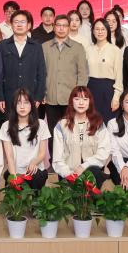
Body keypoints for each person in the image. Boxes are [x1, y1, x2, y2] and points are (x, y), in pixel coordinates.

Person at [43, 14, 89, 153]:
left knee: (71, 131)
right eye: (58, 25)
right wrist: (42, 92)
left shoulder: (78, 47)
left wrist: (79, 96)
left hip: (71, 98)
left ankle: (71, 159)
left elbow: (82, 73)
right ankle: (54, 160)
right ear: (54, 27)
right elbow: (40, 72)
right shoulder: (45, 47)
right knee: (53, 132)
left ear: (69, 28)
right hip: (51, 97)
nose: (61, 28)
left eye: (65, 26)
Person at [51, 86, 110, 188]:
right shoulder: (61, 125)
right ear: (71, 101)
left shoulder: (98, 123)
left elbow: (103, 152)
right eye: (77, 99)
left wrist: (83, 167)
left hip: (91, 171)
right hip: (68, 173)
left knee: (94, 172)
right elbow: (57, 158)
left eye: (85, 99)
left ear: (90, 102)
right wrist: (69, 174)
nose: (81, 103)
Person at [0, 10, 47, 121]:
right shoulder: (2, 46)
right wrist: (0, 97)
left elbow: (41, 73)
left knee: (30, 127)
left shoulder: (36, 46)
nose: (19, 25)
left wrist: (39, 97)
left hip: (30, 96)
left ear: (28, 25)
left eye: (22, 22)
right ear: (11, 24)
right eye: (16, 22)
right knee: (8, 127)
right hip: (8, 96)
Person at [1, 88, 50, 191]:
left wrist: (34, 162)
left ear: (31, 105)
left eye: (26, 102)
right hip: (15, 170)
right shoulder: (6, 126)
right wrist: (14, 177)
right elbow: (9, 156)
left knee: (37, 178)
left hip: (34, 170)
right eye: (18, 103)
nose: (22, 106)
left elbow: (42, 153)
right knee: (12, 194)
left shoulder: (41, 124)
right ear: (14, 106)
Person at [86, 18, 124, 124]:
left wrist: (116, 97)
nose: (100, 32)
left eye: (103, 29)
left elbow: (119, 77)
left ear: (108, 31)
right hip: (91, 89)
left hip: (108, 90)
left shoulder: (115, 50)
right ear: (93, 31)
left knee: (109, 123)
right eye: (97, 29)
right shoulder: (88, 50)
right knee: (92, 123)